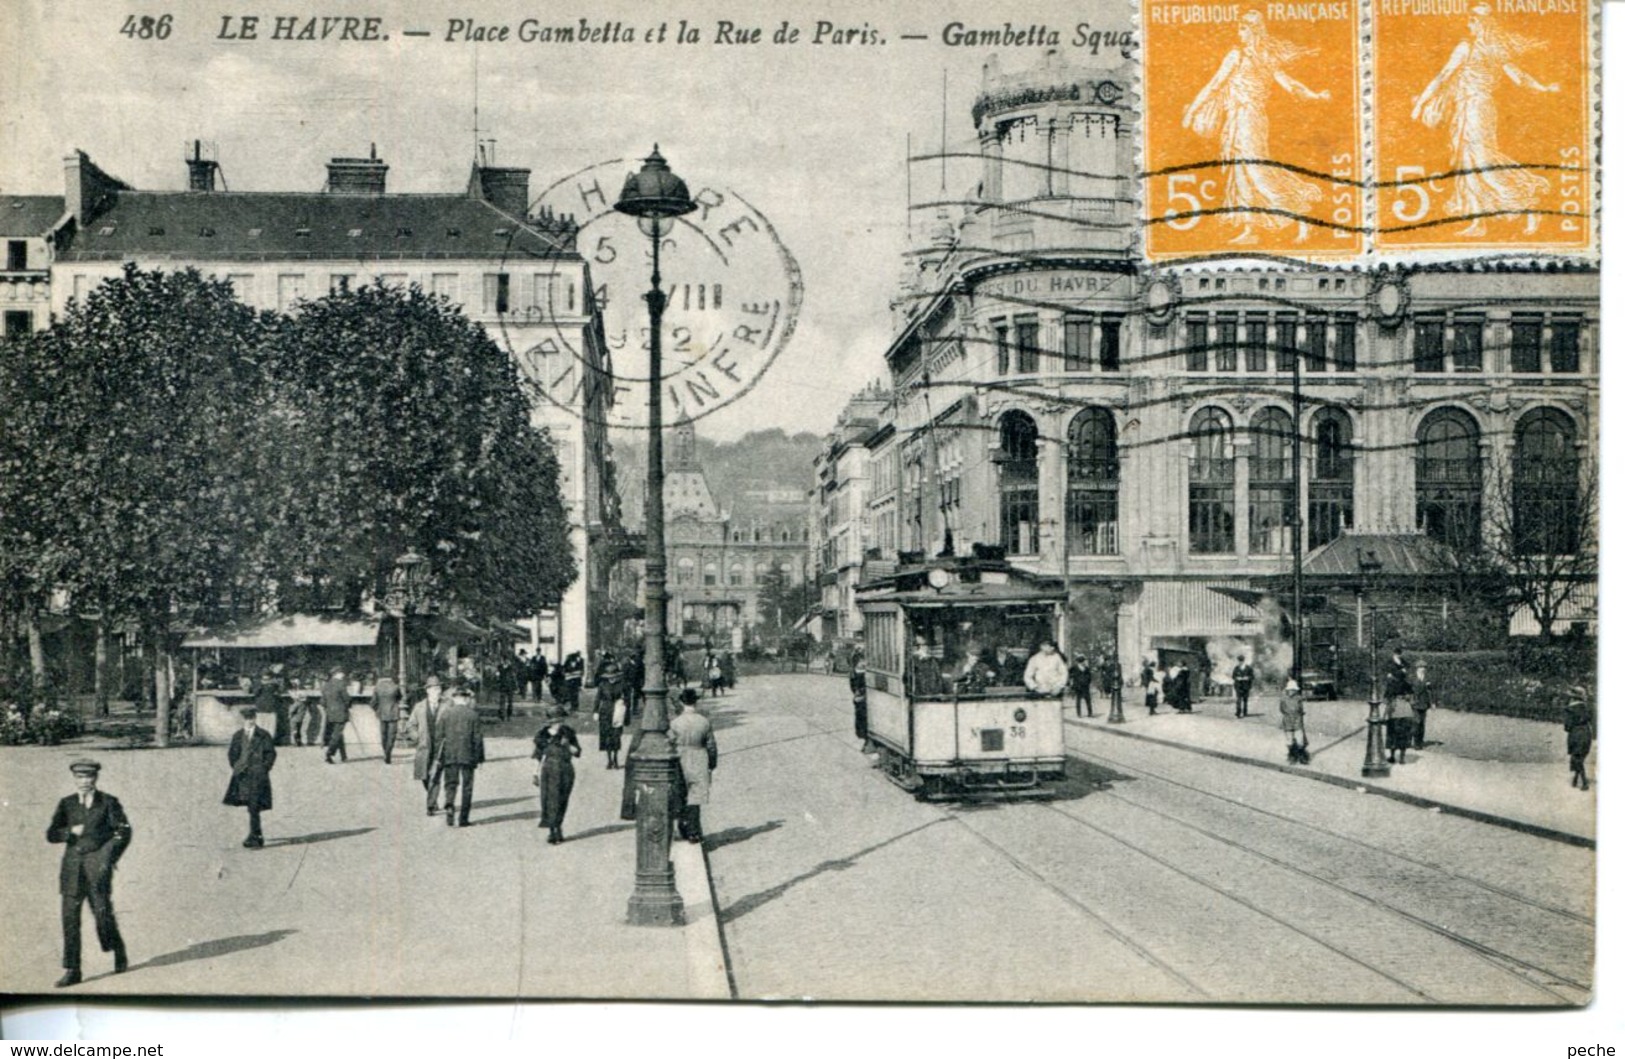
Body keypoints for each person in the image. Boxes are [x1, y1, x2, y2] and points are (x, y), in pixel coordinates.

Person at [1182, 9, 1330, 246]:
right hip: (1236, 119)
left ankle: (1301, 213)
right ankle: (1250, 228)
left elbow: (1288, 84)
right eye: (1240, 28)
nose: (1239, 33)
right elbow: (1215, 86)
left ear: (1254, 31)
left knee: (1258, 172)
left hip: (1250, 118)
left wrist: (1315, 96)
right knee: (1240, 172)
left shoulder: (1251, 57)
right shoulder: (1249, 57)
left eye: (1243, 28)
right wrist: (1317, 96)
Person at [1410, 4, 1558, 238]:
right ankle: (1478, 223)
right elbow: (1519, 77)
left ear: (1480, 24)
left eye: (1471, 21)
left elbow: (1443, 76)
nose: (1468, 25)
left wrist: (1420, 104)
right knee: (1467, 164)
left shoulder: (1467, 48)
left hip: (1475, 108)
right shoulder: (1495, 49)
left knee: (1482, 161)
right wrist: (1543, 87)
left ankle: (1530, 200)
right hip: (1472, 108)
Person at [47, 759, 131, 987]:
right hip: (72, 870)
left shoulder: (108, 802)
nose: (84, 781)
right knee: (70, 919)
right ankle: (73, 969)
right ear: (74, 779)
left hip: (98, 870)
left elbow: (123, 832)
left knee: (102, 915)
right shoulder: (67, 803)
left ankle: (117, 948)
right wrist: (68, 833)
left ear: (95, 778)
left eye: (88, 777)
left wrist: (107, 857)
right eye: (79, 777)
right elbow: (51, 833)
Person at [223, 705, 276, 849]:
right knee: (250, 805)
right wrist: (236, 766)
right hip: (243, 775)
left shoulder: (263, 735)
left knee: (254, 806)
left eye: (252, 718)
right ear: (242, 720)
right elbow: (232, 754)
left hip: (258, 775)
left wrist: (265, 767)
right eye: (247, 718)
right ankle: (256, 835)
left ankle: (255, 836)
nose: (249, 721)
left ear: (255, 718)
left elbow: (271, 753)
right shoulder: (238, 736)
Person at [670, 688, 719, 843]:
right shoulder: (704, 721)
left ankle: (683, 827)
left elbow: (669, 742)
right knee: (696, 797)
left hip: (680, 757)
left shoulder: (675, 723)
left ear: (681, 702)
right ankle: (694, 831)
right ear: (695, 702)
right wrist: (711, 763)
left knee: (681, 793)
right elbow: (711, 745)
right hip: (699, 756)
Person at [434, 685, 485, 827]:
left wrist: (439, 755)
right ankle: (463, 819)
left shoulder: (446, 714)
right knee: (467, 786)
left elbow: (438, 736)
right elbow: (478, 739)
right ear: (466, 699)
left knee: (450, 783)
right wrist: (479, 758)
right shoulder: (473, 715)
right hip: (468, 755)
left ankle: (450, 806)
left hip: (449, 755)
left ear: (455, 699)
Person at [533, 706, 582, 843]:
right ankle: (552, 830)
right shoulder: (542, 735)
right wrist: (535, 773)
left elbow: (577, 752)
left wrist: (568, 746)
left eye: (561, 720)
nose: (559, 724)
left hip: (566, 768)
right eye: (556, 721)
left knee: (562, 799)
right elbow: (538, 756)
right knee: (549, 800)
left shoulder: (568, 733)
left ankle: (558, 827)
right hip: (549, 768)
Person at [410, 675, 445, 817]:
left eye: (439, 688)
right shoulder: (419, 707)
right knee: (424, 776)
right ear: (427, 690)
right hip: (424, 746)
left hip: (441, 746)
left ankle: (430, 805)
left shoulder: (447, 705)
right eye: (434, 689)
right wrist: (416, 736)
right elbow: (411, 725)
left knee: (435, 775)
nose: (437, 691)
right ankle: (433, 799)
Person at [595, 654, 626, 770]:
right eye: (609, 676)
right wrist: (595, 711)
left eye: (613, 676)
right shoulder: (602, 685)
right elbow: (598, 698)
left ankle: (616, 759)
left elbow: (627, 700)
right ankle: (609, 760)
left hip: (617, 712)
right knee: (606, 737)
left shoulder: (621, 685)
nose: (611, 678)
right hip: (605, 712)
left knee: (616, 737)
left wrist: (625, 710)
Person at [1563, 687, 1593, 791]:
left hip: (1576, 733)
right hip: (1587, 732)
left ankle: (1584, 782)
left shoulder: (1570, 709)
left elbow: (1567, 726)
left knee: (1576, 757)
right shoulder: (1587, 707)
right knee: (1580, 757)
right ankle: (1575, 779)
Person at [372, 672, 403, 764]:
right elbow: (400, 697)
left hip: (382, 713)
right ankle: (388, 753)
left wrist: (377, 709)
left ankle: (385, 751)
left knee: (383, 735)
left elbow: (373, 702)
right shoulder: (395, 687)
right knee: (392, 735)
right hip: (393, 713)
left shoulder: (377, 687)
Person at [321, 668, 350, 764]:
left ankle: (343, 755)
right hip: (341, 712)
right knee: (337, 734)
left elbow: (322, 701)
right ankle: (329, 753)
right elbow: (347, 699)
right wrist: (348, 705)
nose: (343, 674)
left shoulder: (326, 685)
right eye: (342, 673)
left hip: (330, 713)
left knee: (338, 733)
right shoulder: (341, 684)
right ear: (337, 674)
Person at [1280, 679, 1308, 763]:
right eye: (1290, 690)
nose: (1291, 692)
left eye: (1293, 690)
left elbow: (1301, 709)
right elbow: (1282, 709)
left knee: (1300, 739)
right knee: (1289, 740)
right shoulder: (1283, 699)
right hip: (1287, 721)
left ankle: (1301, 755)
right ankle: (1292, 755)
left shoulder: (1298, 699)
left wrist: (1300, 714)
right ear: (1287, 690)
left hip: (1297, 721)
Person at [1387, 692, 1415, 765]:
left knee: (1393, 736)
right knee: (1404, 736)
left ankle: (1392, 756)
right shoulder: (1408, 685)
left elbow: (1388, 699)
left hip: (1395, 713)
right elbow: (1412, 701)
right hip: (1407, 713)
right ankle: (1402, 758)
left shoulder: (1392, 685)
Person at [1411, 663, 1435, 748]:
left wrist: (1432, 703)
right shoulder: (1412, 678)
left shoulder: (1427, 678)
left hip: (1424, 703)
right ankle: (1416, 743)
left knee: (1422, 723)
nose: (1423, 669)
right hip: (1415, 703)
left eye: (1424, 667)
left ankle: (1420, 741)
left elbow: (1430, 692)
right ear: (1417, 668)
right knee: (1416, 722)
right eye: (1421, 667)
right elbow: (1409, 690)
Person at [849, 653, 869, 742]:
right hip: (859, 696)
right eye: (862, 661)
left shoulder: (859, 671)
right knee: (860, 714)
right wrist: (860, 691)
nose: (864, 663)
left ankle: (861, 732)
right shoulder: (856, 672)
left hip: (860, 696)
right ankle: (861, 732)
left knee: (862, 714)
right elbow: (854, 687)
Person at [1069, 652, 1094, 718]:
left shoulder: (1086, 668)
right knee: (1078, 700)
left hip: (1085, 686)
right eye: (1082, 661)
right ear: (1079, 662)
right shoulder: (1074, 668)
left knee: (1088, 699)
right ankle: (1079, 714)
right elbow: (1069, 674)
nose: (1083, 662)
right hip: (1078, 686)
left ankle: (1090, 713)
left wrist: (1088, 682)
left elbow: (1089, 676)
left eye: (1083, 661)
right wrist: (1072, 681)